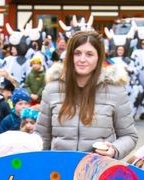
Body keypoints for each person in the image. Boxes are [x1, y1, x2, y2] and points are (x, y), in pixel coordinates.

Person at [37, 30, 138, 159]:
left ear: (99, 57)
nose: (82, 59)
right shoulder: (52, 89)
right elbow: (41, 136)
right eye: (77, 53)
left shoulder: (115, 91)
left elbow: (129, 136)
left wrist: (114, 149)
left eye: (89, 54)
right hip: (58, 171)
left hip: (98, 170)